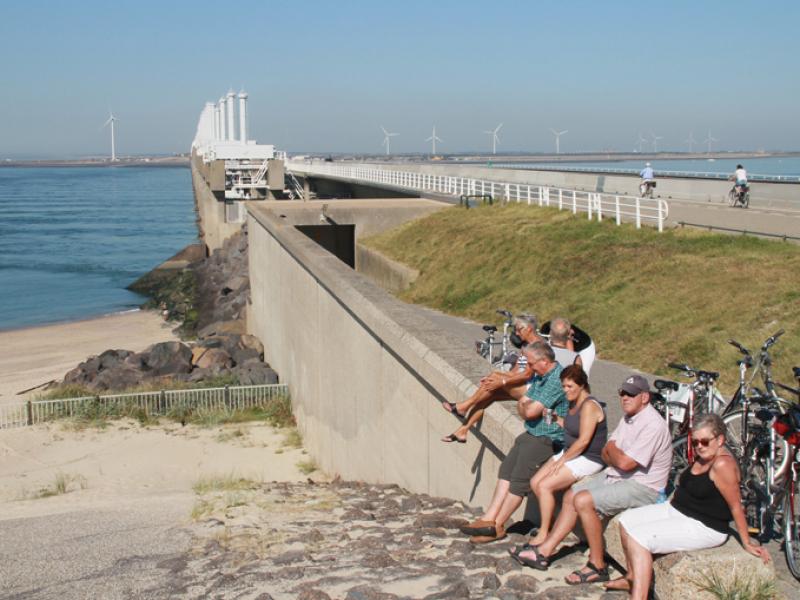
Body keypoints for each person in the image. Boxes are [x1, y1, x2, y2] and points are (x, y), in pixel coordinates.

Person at [512, 374, 672, 586]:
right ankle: (545, 549)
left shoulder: (652, 424)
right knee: (571, 495)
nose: (625, 398)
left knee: (583, 500)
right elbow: (609, 451)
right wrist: (615, 453)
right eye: (622, 393)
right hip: (617, 475)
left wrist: (614, 453)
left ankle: (597, 565)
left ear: (645, 397)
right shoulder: (629, 417)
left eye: (631, 395)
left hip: (644, 486)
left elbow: (624, 462)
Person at [611, 414, 770, 597]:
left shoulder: (722, 464)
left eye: (704, 441)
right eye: (695, 442)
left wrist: (747, 542)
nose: (699, 446)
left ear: (720, 440)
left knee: (639, 538)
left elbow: (736, 506)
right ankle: (632, 578)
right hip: (677, 510)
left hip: (703, 525)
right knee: (626, 521)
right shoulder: (705, 455)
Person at [459, 341, 567, 543]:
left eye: (533, 364)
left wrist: (527, 406)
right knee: (506, 472)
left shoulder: (556, 380)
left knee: (518, 483)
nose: (530, 369)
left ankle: (497, 526)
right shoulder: (542, 376)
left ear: (544, 361)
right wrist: (526, 406)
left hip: (546, 438)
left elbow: (530, 410)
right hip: (532, 431)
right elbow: (525, 405)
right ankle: (488, 519)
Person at [526, 365, 606, 546]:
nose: (565, 390)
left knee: (545, 486)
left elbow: (584, 441)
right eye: (563, 386)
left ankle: (544, 532)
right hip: (572, 451)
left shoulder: (589, 406)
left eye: (569, 386)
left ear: (582, 385)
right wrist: (556, 419)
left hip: (588, 457)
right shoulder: (574, 402)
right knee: (534, 482)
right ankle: (552, 522)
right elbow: (573, 430)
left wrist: (562, 460)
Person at [441, 314, 542, 443]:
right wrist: (496, 379)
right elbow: (516, 370)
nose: (516, 333)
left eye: (518, 329)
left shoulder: (539, 346)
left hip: (532, 390)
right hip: (522, 384)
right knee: (490, 392)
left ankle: (464, 406)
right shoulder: (526, 345)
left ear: (528, 328)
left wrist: (502, 380)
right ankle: (463, 430)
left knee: (494, 377)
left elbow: (528, 375)